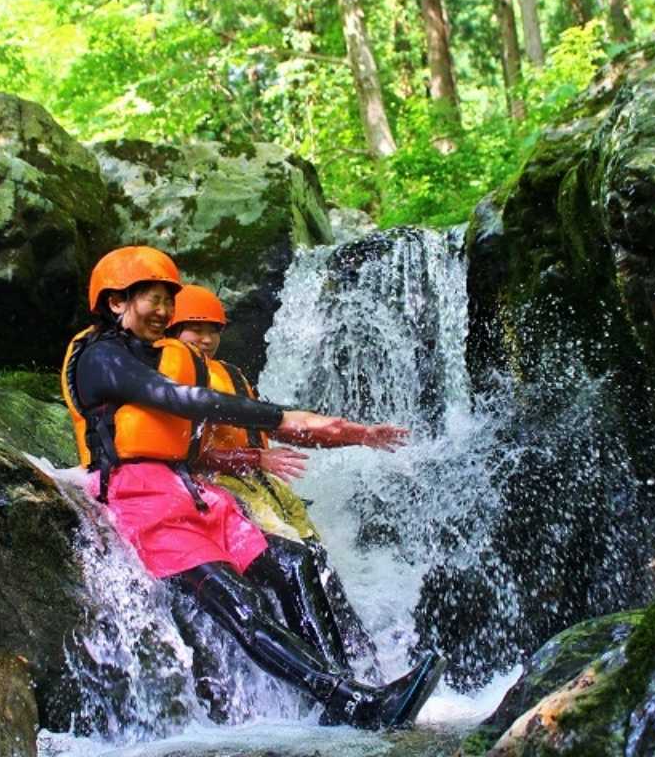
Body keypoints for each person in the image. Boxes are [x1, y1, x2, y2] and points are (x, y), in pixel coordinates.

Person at [59, 246, 446, 730]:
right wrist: (281, 417)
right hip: (141, 499)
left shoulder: (157, 355)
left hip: (192, 495)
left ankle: (346, 693)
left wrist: (347, 430)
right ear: (116, 303)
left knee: (293, 562)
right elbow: (176, 400)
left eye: (167, 301)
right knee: (244, 604)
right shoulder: (100, 359)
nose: (163, 312)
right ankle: (352, 703)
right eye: (152, 300)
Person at [168, 284, 379, 677]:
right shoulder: (171, 376)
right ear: (173, 330)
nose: (206, 339)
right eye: (194, 328)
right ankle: (335, 677)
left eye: (213, 329)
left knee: (318, 560)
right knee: (295, 563)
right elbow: (182, 451)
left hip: (264, 483)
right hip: (224, 484)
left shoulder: (231, 374)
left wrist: (355, 435)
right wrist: (253, 457)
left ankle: (366, 665)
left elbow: (280, 427)